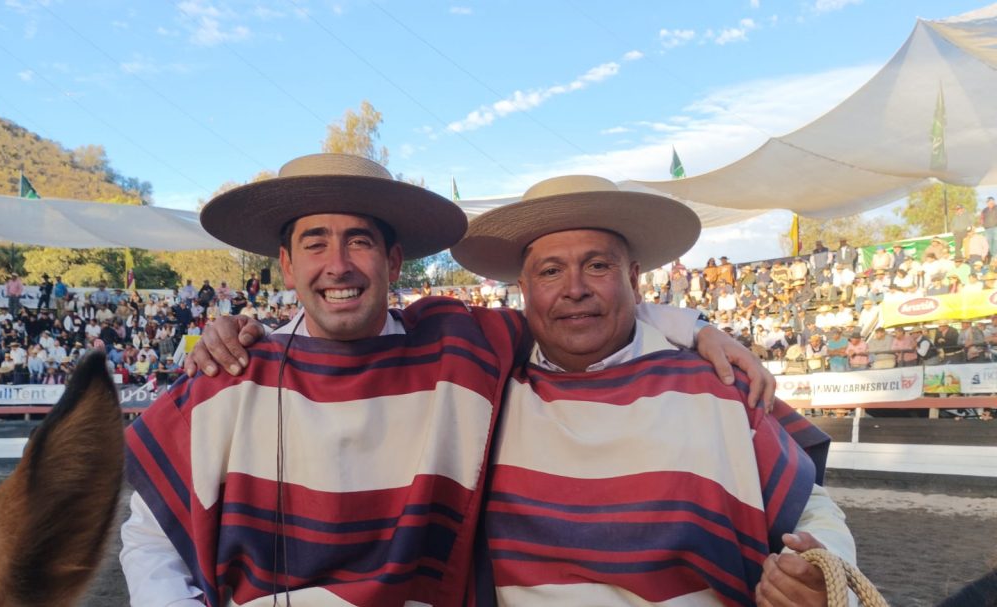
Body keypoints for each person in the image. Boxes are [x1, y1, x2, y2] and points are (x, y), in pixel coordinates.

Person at [122, 155, 776, 606]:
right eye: (316, 243)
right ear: (287, 266)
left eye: (359, 241)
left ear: (393, 260)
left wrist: (694, 325)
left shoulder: (461, 346)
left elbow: (575, 313)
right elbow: (149, 537)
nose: (338, 264)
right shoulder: (230, 372)